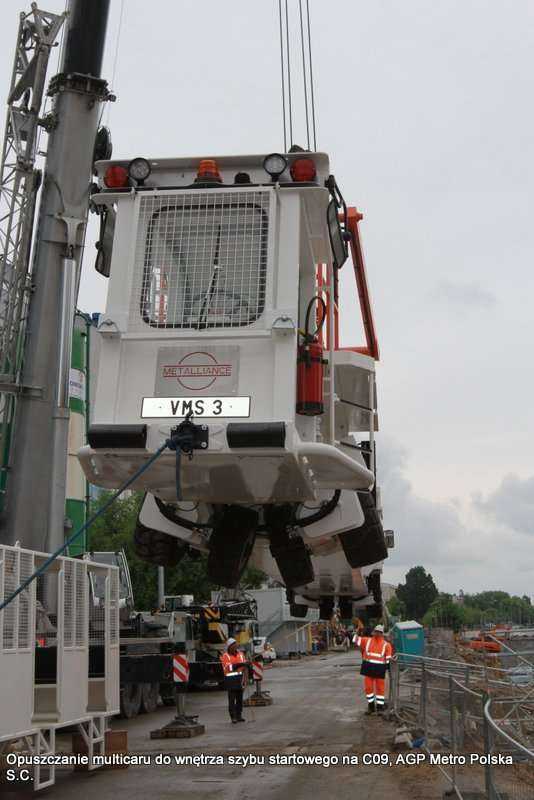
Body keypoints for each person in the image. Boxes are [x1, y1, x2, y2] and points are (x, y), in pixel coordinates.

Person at [353, 624, 392, 714]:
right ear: (373, 632)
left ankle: (380, 707)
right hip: (368, 668)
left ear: (382, 633)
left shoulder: (387, 645)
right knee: (369, 688)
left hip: (379, 669)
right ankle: (371, 707)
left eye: (379, 632)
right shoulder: (367, 641)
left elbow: (388, 660)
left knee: (380, 689)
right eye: (376, 632)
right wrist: (357, 630)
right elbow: (355, 639)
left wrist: (386, 669)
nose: (377, 634)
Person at [220, 637, 248, 723]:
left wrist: (247, 665)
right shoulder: (225, 656)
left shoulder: (241, 654)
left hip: (240, 679)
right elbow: (229, 667)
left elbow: (244, 667)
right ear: (229, 646)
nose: (235, 646)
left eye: (236, 644)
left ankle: (239, 715)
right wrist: (241, 664)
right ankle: (233, 717)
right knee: (232, 699)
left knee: (239, 699)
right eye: (233, 645)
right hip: (230, 680)